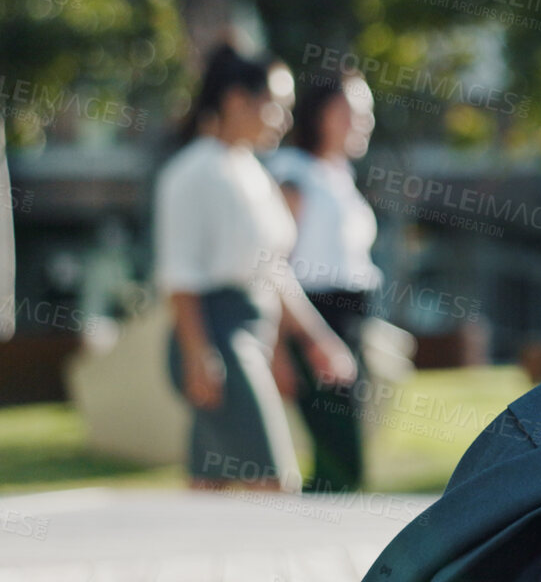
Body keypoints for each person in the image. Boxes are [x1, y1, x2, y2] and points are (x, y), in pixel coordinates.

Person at [154, 43, 359, 491]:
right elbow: (179, 276)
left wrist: (316, 338)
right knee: (273, 481)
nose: (285, 120)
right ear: (236, 102)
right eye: (276, 106)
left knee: (209, 485)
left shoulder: (252, 172)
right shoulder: (192, 173)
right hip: (214, 344)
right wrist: (198, 356)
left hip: (249, 336)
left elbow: (275, 271)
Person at [266, 70, 382, 492]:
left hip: (350, 322)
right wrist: (282, 348)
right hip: (314, 323)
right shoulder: (293, 173)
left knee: (345, 460)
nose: (363, 122)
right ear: (322, 113)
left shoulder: (339, 175)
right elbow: (275, 267)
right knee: (340, 461)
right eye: (353, 112)